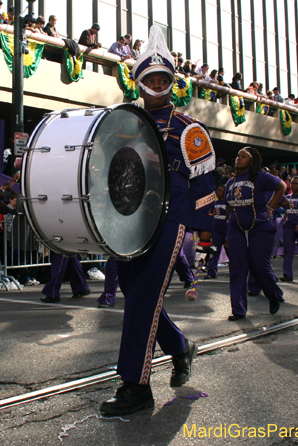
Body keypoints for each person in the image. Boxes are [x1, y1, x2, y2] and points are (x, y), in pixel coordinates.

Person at [100, 25, 216, 416]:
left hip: (168, 225)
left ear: (171, 82)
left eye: (162, 77)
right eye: (149, 77)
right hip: (128, 224)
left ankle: (135, 386)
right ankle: (181, 347)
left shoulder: (189, 129)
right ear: (139, 81)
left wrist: (203, 237)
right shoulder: (121, 123)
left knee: (144, 298)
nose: (156, 83)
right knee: (138, 299)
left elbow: (205, 185)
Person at [225, 147, 287, 320]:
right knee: (237, 268)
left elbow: (282, 186)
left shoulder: (261, 177)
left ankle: (274, 295)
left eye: (243, 157)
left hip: (260, 227)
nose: (239, 159)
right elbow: (228, 206)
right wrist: (228, 231)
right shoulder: (230, 182)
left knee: (259, 266)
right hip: (235, 229)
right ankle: (238, 310)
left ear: (251, 161)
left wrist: (270, 207)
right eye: (238, 155)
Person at [203, 184, 228, 280]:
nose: (218, 192)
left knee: (231, 252)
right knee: (215, 250)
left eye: (221, 191)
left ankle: (237, 271)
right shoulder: (215, 203)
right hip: (216, 230)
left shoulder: (228, 203)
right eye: (218, 190)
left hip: (226, 230)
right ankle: (212, 271)